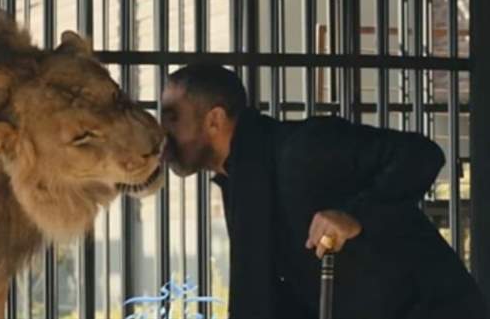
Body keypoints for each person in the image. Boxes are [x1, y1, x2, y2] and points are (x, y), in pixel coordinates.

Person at [160, 63, 487, 319]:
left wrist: (353, 216)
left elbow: (421, 154)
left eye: (172, 118)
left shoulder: (302, 149)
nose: (162, 133)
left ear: (214, 120)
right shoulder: (241, 184)